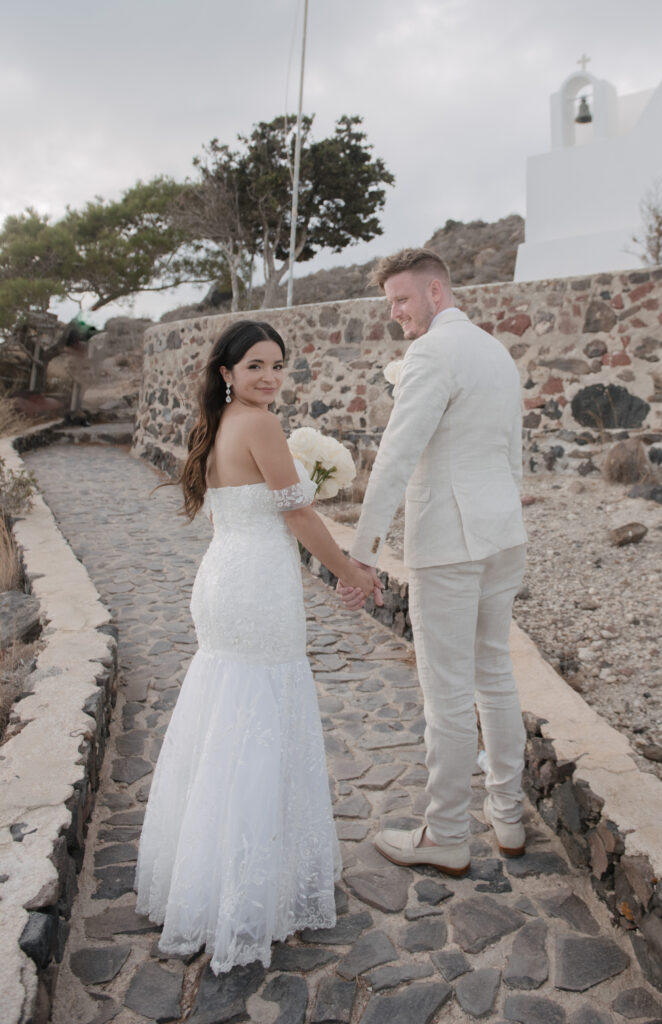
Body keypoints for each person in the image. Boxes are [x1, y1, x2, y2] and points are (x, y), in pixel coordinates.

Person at [135, 319, 376, 974]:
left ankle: (201, 878)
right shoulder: (261, 425)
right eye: (255, 366)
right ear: (227, 373)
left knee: (225, 716)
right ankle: (242, 892)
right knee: (257, 722)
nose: (269, 376)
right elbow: (297, 514)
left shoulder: (215, 427)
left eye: (277, 364)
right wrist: (350, 570)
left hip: (222, 577)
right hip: (257, 586)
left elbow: (251, 509)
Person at [338, 248, 528, 877]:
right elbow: (512, 454)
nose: (395, 314)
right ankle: (508, 815)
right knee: (494, 675)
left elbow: (396, 457)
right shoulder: (496, 352)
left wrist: (358, 554)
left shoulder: (432, 353)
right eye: (390, 302)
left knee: (445, 691)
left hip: (450, 539)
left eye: (402, 299)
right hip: (503, 533)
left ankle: (445, 832)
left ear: (437, 292)